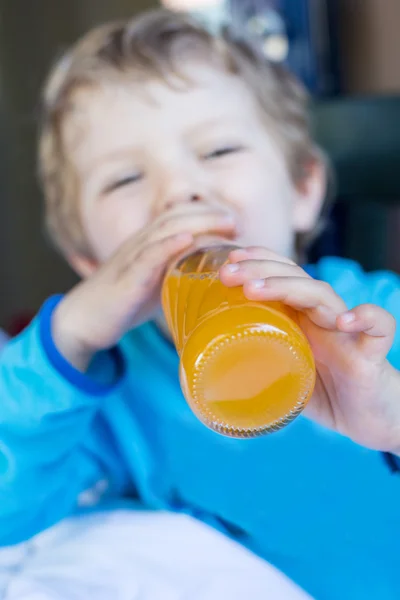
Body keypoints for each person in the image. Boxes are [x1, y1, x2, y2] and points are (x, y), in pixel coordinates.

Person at [1, 8, 400, 599]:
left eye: (218, 151)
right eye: (124, 179)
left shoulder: (373, 322)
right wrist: (71, 336)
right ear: (91, 261)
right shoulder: (103, 393)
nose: (179, 191)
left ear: (303, 189)